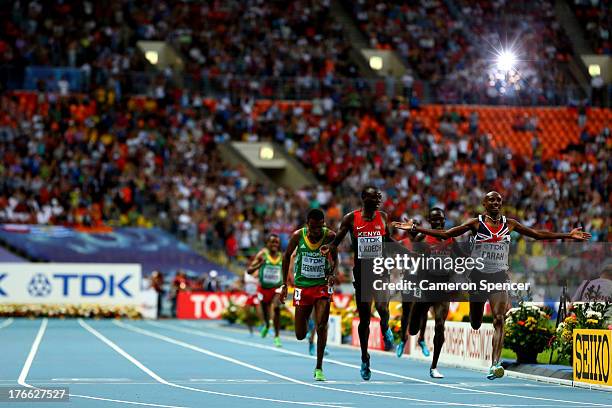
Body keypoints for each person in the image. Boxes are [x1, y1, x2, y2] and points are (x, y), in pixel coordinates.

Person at [393, 191, 591, 380]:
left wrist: (568, 235)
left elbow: (537, 235)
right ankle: (474, 320)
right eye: (492, 201)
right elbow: (446, 234)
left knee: (499, 318)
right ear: (484, 205)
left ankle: (494, 364)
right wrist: (415, 229)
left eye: (498, 201)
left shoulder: (510, 224)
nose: (496, 203)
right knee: (476, 323)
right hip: (478, 278)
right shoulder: (475, 224)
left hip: (499, 276)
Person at [321, 186, 395, 381]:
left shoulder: (383, 217)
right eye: (374, 197)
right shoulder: (351, 218)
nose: (378, 199)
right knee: (364, 319)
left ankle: (385, 326)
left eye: (380, 196)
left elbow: (388, 241)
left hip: (380, 270)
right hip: (362, 273)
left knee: (382, 307)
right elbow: (336, 241)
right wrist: (328, 248)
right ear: (364, 198)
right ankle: (364, 357)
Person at [398, 208, 458, 378]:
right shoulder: (422, 237)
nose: (438, 223)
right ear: (429, 222)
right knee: (413, 329)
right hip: (425, 286)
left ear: (445, 220)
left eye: (440, 220)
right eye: (434, 221)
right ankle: (411, 334)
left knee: (440, 325)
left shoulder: (451, 238)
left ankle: (434, 366)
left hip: (443, 288)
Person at [280, 209, 338, 381]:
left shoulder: (330, 236)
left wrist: (333, 273)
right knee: (299, 334)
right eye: (312, 228)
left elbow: (336, 258)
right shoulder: (298, 236)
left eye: (319, 228)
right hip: (302, 286)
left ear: (323, 224)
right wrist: (284, 283)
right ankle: (310, 323)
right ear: (307, 225)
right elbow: (286, 257)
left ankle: (319, 367)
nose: (315, 232)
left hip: (321, 285)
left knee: (322, 326)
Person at [247, 234, 284, 347]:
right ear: (267, 243)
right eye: (272, 242)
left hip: (277, 287)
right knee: (266, 311)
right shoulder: (262, 254)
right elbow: (249, 270)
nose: (274, 244)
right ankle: (267, 325)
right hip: (264, 289)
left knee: (277, 307)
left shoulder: (281, 256)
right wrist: (259, 265)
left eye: (276, 242)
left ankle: (277, 336)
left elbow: (287, 270)